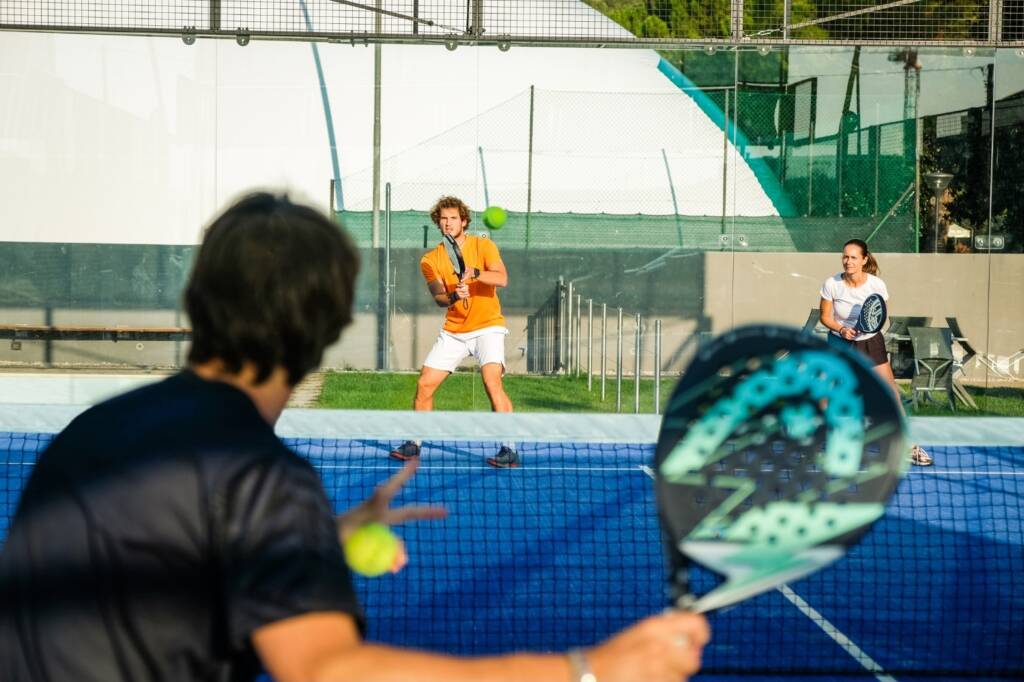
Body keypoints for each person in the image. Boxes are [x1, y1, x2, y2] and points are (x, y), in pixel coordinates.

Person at [1, 192, 709, 682]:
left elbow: (159, 559)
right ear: (329, 326)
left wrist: (303, 536)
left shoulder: (92, 431)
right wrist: (588, 670)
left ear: (196, 299)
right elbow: (328, 670)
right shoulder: (257, 478)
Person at [391, 196, 519, 468]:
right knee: (425, 384)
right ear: (438, 222)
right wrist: (453, 296)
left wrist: (474, 273)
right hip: (454, 331)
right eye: (443, 219)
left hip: (488, 326)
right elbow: (439, 297)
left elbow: (501, 278)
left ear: (464, 221)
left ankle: (510, 448)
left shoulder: (483, 246)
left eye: (453, 218)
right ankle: (415, 443)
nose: (448, 223)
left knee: (491, 381)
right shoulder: (430, 260)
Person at [819, 238, 933, 466]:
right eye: (845, 256)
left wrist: (861, 330)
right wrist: (842, 329)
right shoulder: (832, 284)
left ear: (864, 259)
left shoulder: (876, 285)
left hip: (870, 342)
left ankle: (907, 446)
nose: (847, 261)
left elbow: (878, 317)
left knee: (889, 393)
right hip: (839, 342)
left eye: (853, 257)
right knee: (824, 394)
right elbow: (825, 317)